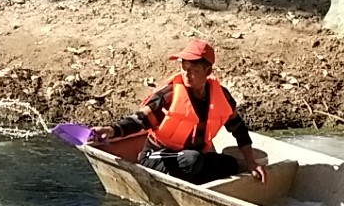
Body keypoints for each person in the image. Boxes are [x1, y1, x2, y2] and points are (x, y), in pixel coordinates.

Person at [95, 41, 265, 185]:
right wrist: (111, 130)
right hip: (157, 155)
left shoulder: (222, 96)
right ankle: (169, 174)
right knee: (193, 160)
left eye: (193, 70)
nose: (186, 74)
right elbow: (140, 120)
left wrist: (251, 162)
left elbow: (239, 129)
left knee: (231, 165)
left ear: (207, 72)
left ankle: (195, 178)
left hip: (194, 155)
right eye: (184, 68)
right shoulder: (169, 95)